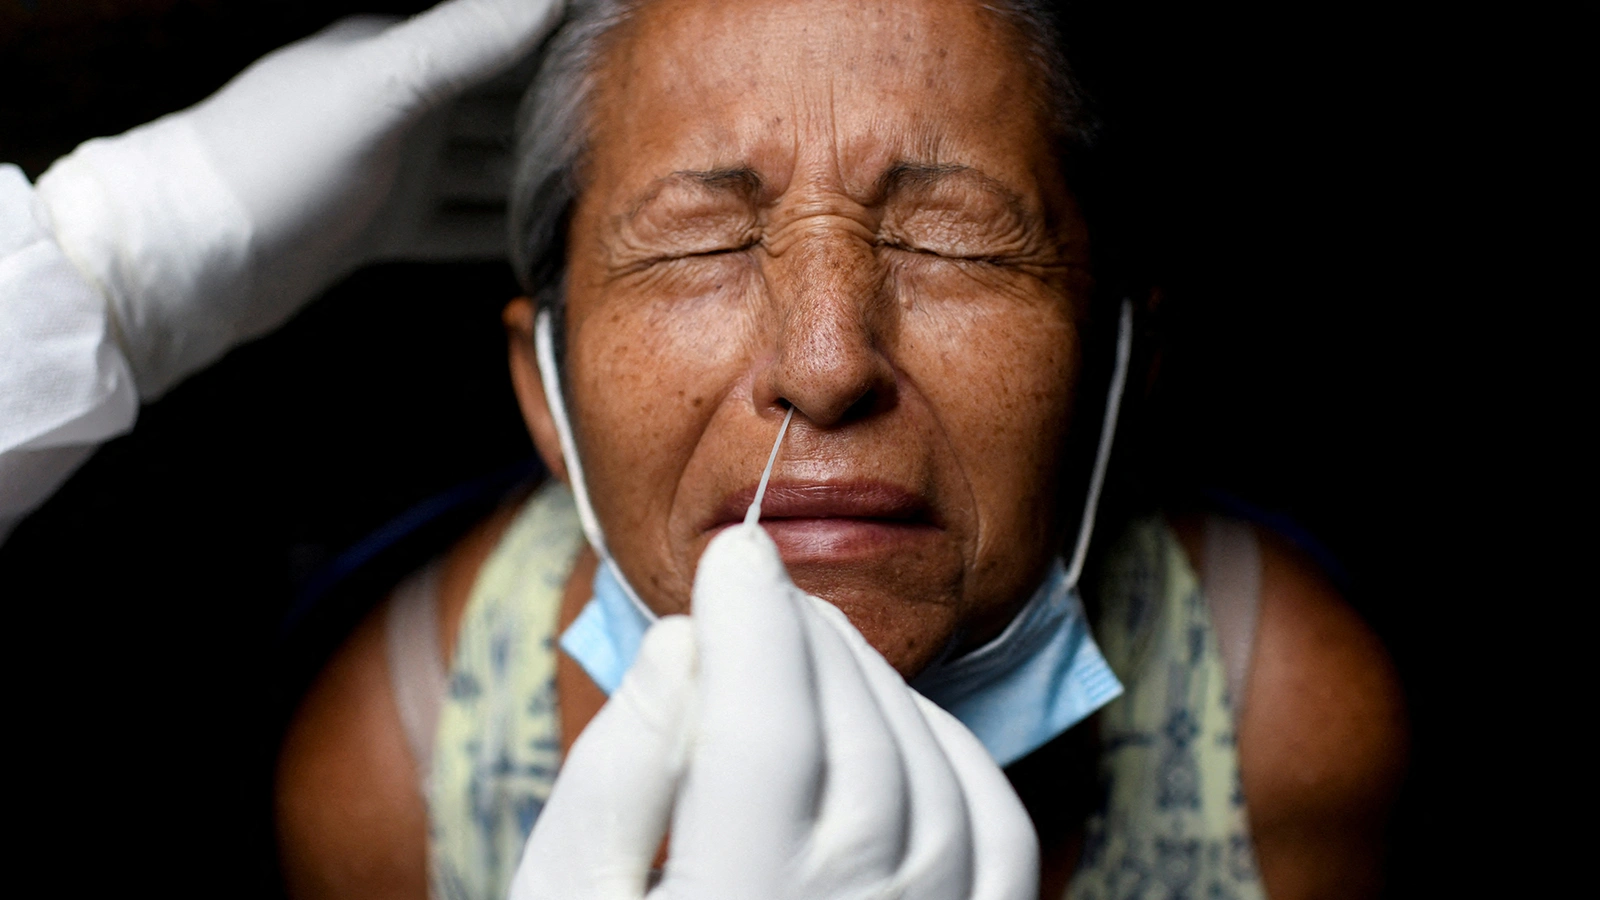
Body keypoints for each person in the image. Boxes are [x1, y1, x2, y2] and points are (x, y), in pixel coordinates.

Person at [2, 1, 1408, 898]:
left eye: (952, 236)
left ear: (1124, 362)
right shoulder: (391, 765)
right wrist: (107, 265)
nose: (825, 362)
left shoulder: (1293, 727)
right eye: (700, 242)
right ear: (542, 395)